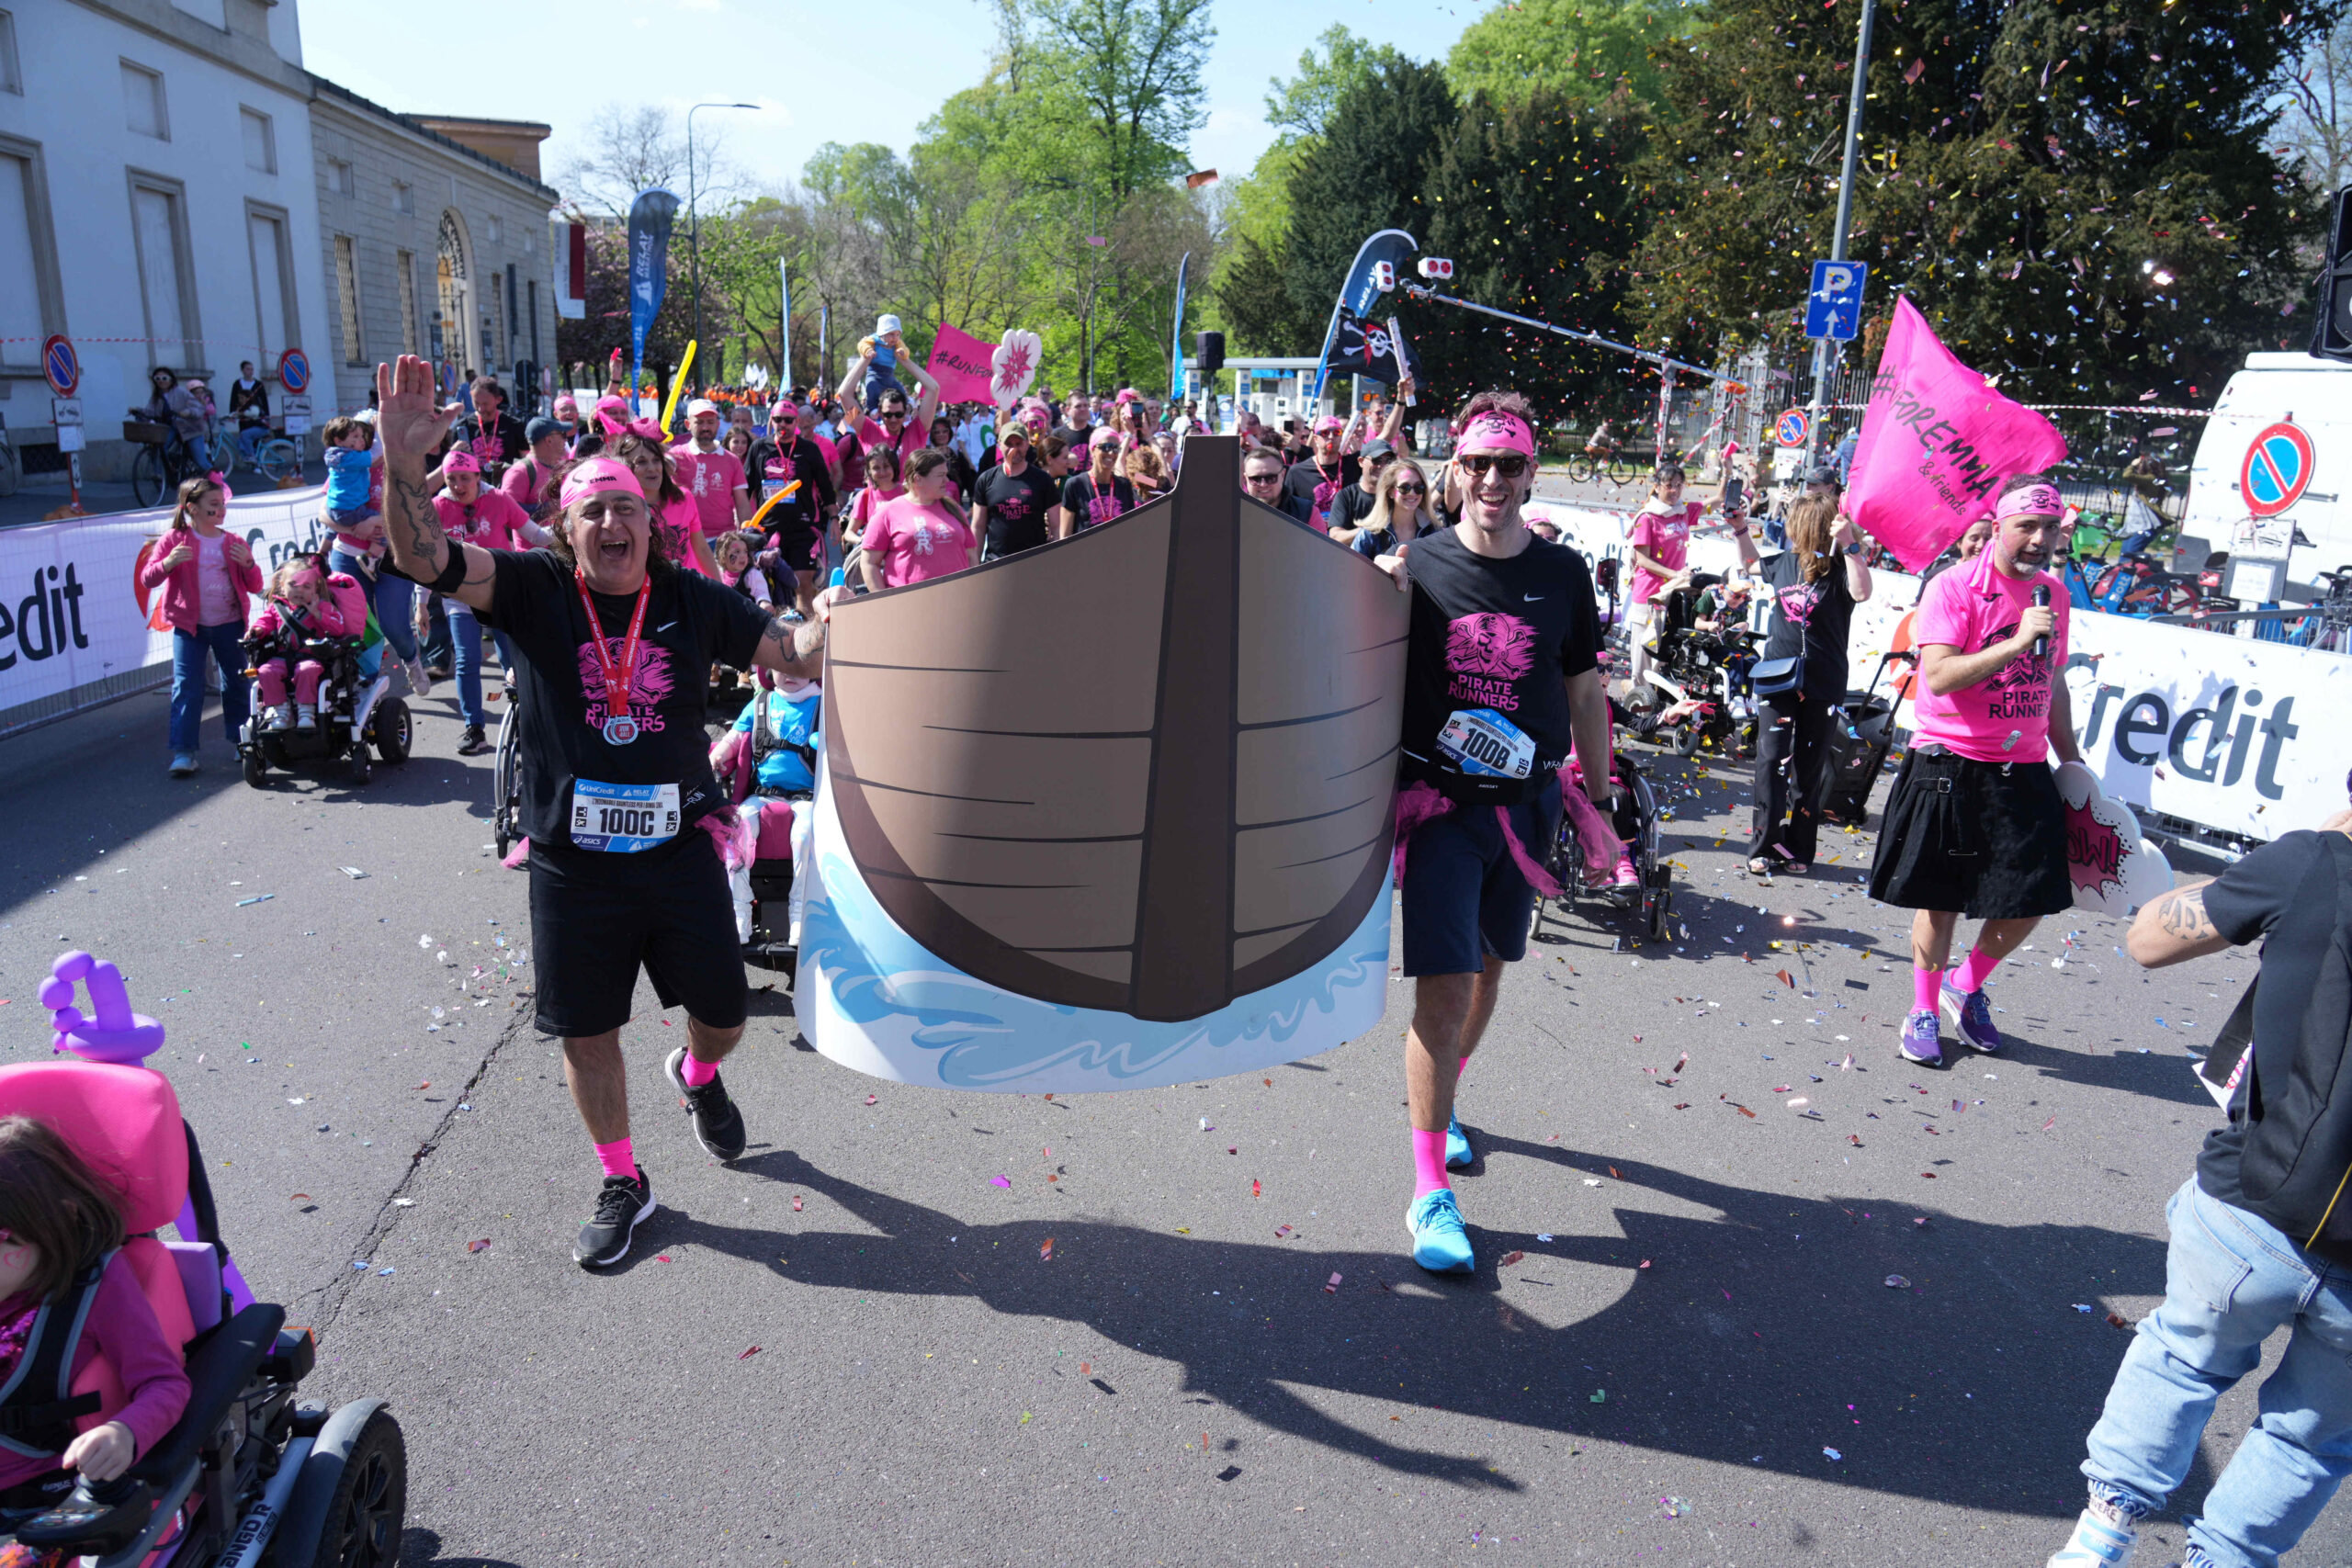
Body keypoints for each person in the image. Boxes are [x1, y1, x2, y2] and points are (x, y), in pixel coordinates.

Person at [373, 353, 831, 1269]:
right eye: (593, 510)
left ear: (654, 521)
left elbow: (794, 651)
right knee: (587, 1034)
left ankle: (697, 1074)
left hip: (679, 848)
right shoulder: (531, 587)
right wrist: (401, 465)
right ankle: (624, 1178)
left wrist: (846, 615)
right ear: (565, 525)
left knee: (726, 1012)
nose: (612, 523)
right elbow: (422, 558)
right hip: (572, 862)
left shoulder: (691, 598)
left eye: (627, 507)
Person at [2043, 812, 2352, 1568]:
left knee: (2181, 1358)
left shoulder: (2316, 861)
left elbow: (2149, 936)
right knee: (2309, 1441)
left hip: (2251, 1201)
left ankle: (2098, 1540)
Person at [1365, 390, 1613, 1275]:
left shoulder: (1564, 573)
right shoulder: (1417, 564)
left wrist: (1600, 802)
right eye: (1478, 463)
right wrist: (1375, 595)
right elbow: (1346, 658)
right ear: (1456, 471)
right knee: (1445, 990)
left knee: (1490, 971)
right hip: (1440, 809)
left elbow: (1584, 689)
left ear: (1530, 471)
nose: (1493, 479)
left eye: (1510, 464)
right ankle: (1429, 1187)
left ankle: (1445, 1103)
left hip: (1529, 806)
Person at [1868, 477, 2079, 1066]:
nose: (2039, 539)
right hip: (1950, 762)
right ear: (1999, 524)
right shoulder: (1954, 586)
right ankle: (1923, 1009)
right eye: (2027, 526)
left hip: (2024, 766)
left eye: (2050, 527)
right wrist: (2016, 642)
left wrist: (2073, 760)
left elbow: (2055, 682)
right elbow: (1938, 676)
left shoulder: (2054, 595)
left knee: (2033, 897)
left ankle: (1965, 984)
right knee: (1942, 900)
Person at [0, 1116, 193, 1505]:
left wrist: (124, 1432)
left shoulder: (97, 1287)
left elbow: (165, 1383)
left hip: (39, 1489)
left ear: (58, 1220)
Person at [1744, 494, 1869, 875]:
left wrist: (1850, 544)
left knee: (1809, 768)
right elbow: (1750, 565)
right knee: (1770, 761)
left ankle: (1798, 848)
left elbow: (1862, 593)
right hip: (1778, 676)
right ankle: (1764, 846)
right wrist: (1738, 529)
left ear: (1807, 526)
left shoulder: (1843, 568)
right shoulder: (1784, 562)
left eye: (1794, 522)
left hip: (1823, 680)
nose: (1789, 528)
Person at [142, 474, 260, 777]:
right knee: (186, 686)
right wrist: (167, 563)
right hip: (189, 626)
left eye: (223, 504)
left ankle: (242, 742)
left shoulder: (233, 541)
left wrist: (249, 564)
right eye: (213, 505)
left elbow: (255, 584)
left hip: (230, 624)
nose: (221, 510)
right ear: (192, 508)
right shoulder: (174, 539)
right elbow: (148, 579)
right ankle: (184, 753)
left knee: (236, 683)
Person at [432, 450, 538, 754]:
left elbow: (534, 534)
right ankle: (474, 729)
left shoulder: (499, 499)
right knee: (467, 661)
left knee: (513, 660)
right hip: (460, 598)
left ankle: (526, 724)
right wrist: (420, 603)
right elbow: (428, 558)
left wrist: (570, 539)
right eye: (451, 479)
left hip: (500, 594)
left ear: (478, 477)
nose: (458, 485)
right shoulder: (438, 507)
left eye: (465, 478)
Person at [246, 558, 366, 731]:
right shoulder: (276, 607)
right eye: (293, 585)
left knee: (306, 670)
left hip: (313, 655)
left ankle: (306, 711)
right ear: (282, 586)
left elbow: (338, 628)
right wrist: (257, 630)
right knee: (265, 671)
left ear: (315, 589)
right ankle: (281, 711)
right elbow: (264, 623)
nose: (299, 590)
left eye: (306, 586)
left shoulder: (323, 606)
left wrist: (317, 614)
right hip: (283, 656)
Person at [1623, 467, 1702, 705]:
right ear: (1657, 486)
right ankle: (1639, 707)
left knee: (1663, 657)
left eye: (1679, 485)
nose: (1674, 490)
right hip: (1649, 595)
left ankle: (1655, 708)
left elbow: (1716, 501)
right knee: (1643, 659)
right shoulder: (1646, 518)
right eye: (1669, 485)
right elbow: (1643, 560)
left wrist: (1727, 471)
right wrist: (1675, 574)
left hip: (1673, 594)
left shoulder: (1682, 512)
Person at [860, 448, 976, 591]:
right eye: (941, 475)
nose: (947, 480)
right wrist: (883, 599)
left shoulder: (954, 508)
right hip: (909, 600)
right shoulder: (887, 512)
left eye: (946, 474)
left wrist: (972, 591)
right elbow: (869, 563)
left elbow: (971, 556)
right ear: (918, 479)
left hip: (956, 596)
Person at [612, 428, 720, 579]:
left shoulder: (683, 498)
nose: (652, 468)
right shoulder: (619, 511)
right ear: (626, 467)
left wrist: (719, 588)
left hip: (688, 586)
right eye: (641, 462)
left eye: (656, 460)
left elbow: (701, 549)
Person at [835, 353, 938, 477]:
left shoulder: (916, 432)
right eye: (888, 415)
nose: (893, 419)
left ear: (905, 411)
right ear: (879, 411)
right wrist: (865, 359)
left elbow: (934, 389)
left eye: (898, 414)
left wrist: (904, 359)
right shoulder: (869, 430)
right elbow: (843, 394)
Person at [970, 423, 1058, 559]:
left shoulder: (1043, 480)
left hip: (1035, 561)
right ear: (999, 445)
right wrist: (974, 562)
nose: (1014, 449)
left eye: (1019, 444)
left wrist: (1056, 560)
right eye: (1009, 444)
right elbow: (978, 526)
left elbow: (1057, 526)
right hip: (996, 562)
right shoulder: (986, 479)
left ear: (1027, 444)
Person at [1284, 416, 1361, 531]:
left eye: (1337, 432)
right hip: (1312, 536)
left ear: (1341, 437)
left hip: (1345, 537)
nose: (1331, 437)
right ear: (1315, 438)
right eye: (1325, 433)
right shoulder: (1297, 472)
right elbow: (1287, 510)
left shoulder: (1354, 465)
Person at [1057, 428, 1136, 538]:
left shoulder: (1124, 485)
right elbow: (1065, 535)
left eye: (1115, 448)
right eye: (1106, 447)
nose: (1111, 453)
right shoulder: (1075, 484)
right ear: (1093, 450)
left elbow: (1131, 528)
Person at [1349, 457, 1435, 558]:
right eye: (1404, 487)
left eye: (1418, 487)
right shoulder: (1369, 534)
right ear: (1390, 492)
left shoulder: (1433, 531)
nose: (1412, 493)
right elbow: (1351, 567)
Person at [449, 378, 528, 477]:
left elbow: (527, 460)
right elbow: (451, 468)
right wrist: (453, 453)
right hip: (475, 485)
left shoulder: (515, 425)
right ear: (471, 395)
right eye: (476, 403)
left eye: (485, 404)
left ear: (498, 400)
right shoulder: (462, 427)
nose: (480, 409)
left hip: (507, 483)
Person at [1326, 438, 1396, 546]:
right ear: (1361, 461)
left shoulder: (1397, 495)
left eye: (1388, 461)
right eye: (1377, 460)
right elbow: (1335, 537)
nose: (1382, 466)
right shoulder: (1346, 496)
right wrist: (1370, 529)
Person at [502, 416, 570, 528]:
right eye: (563, 435)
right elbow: (506, 511)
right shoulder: (520, 472)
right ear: (549, 440)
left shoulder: (561, 466)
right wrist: (548, 508)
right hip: (533, 540)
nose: (566, 440)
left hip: (559, 538)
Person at [1242, 444, 1312, 525]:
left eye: (1270, 478)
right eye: (1255, 479)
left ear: (1283, 475)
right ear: (1245, 479)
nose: (1263, 484)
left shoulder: (1306, 511)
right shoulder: (1234, 513)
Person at [857, 314, 909, 412]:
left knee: (901, 391)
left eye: (898, 335)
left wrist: (903, 352)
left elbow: (905, 349)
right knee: (872, 387)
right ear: (882, 333)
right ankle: (872, 409)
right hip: (875, 372)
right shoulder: (874, 340)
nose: (895, 338)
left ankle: (905, 407)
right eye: (891, 334)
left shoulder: (898, 343)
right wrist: (868, 351)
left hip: (889, 375)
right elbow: (862, 344)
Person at [227, 360, 271, 467]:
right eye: (248, 369)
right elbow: (233, 399)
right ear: (242, 370)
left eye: (252, 369)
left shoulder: (258, 384)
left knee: (254, 439)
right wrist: (232, 413)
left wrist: (266, 416)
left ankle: (256, 463)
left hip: (255, 416)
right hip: (243, 416)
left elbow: (264, 401)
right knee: (244, 437)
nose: (250, 371)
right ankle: (249, 460)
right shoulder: (237, 384)